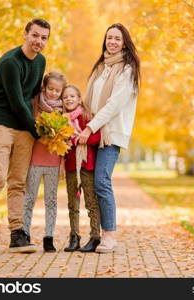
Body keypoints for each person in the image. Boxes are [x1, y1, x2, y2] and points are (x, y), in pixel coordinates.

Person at [0, 18, 50, 254]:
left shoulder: (41, 61)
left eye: (43, 38)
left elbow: (34, 97)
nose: (38, 41)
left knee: (18, 182)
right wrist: (39, 132)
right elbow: (16, 102)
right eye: (35, 35)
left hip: (24, 127)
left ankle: (17, 234)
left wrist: (50, 123)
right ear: (25, 34)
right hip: (1, 122)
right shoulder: (10, 62)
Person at [77, 23, 140, 253]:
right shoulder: (101, 66)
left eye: (117, 38)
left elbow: (114, 105)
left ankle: (110, 236)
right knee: (90, 184)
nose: (112, 42)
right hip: (92, 133)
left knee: (102, 181)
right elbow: (88, 100)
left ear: (124, 43)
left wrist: (90, 128)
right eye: (109, 38)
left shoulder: (127, 70)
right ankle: (95, 235)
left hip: (110, 134)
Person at [22, 72, 67, 253]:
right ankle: (24, 234)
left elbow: (66, 139)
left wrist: (63, 163)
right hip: (34, 160)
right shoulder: (34, 104)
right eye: (50, 89)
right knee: (29, 199)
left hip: (53, 162)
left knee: (51, 201)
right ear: (44, 87)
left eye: (57, 91)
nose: (53, 93)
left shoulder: (63, 111)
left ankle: (49, 237)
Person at [62, 85, 102, 252]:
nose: (69, 99)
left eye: (72, 96)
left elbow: (97, 137)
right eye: (65, 97)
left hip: (87, 165)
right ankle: (74, 236)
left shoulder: (86, 117)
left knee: (91, 202)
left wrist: (79, 139)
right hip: (71, 166)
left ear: (79, 99)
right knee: (73, 203)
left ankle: (95, 237)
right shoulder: (62, 120)